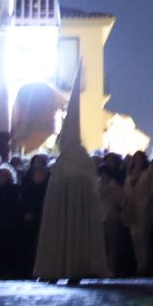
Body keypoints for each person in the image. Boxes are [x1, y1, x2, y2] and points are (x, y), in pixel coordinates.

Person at [33, 74, 109, 284]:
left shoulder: (73, 158)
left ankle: (68, 269)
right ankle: (56, 269)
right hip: (64, 211)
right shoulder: (70, 158)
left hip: (71, 210)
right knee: (63, 236)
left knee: (70, 236)